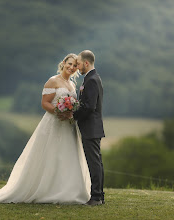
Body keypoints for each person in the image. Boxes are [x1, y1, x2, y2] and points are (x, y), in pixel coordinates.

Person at [0, 53, 91, 204]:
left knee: (67, 156)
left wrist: (70, 112)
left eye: (75, 65)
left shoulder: (71, 84)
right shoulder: (52, 81)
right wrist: (59, 111)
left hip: (68, 126)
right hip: (54, 123)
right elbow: (45, 103)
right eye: (69, 64)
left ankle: (66, 190)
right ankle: (45, 190)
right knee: (50, 155)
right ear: (63, 63)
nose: (71, 67)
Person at [74, 50, 105, 206]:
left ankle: (96, 197)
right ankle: (100, 196)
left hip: (91, 127)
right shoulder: (92, 78)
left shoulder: (91, 79)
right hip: (92, 127)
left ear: (86, 63)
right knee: (97, 162)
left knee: (94, 163)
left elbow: (89, 106)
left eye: (79, 63)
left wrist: (74, 115)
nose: (77, 67)